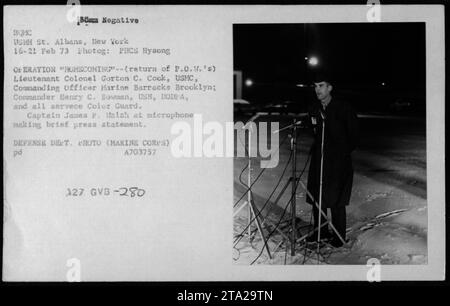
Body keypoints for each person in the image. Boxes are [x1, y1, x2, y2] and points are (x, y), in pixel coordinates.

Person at [305, 75, 358, 247]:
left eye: (321, 85)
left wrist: (340, 153)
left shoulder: (343, 108)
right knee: (317, 196)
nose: (317, 89)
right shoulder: (314, 108)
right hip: (319, 160)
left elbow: (354, 135)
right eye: (315, 86)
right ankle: (320, 231)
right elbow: (312, 130)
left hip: (337, 162)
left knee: (336, 199)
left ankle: (338, 235)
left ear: (330, 88)